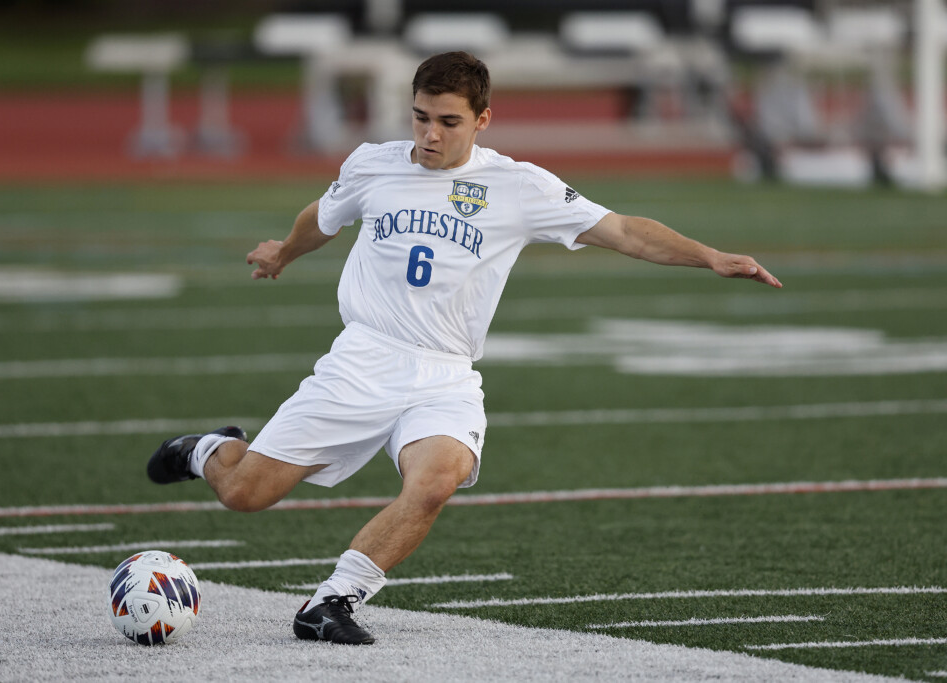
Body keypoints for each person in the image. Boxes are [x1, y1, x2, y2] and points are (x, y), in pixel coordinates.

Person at [147, 51, 782, 646]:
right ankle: (206, 450)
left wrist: (711, 257)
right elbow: (325, 213)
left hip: (446, 375)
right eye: (421, 117)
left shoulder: (519, 185)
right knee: (244, 495)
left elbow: (622, 231)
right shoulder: (374, 162)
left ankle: (332, 602)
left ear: (481, 120)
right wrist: (285, 250)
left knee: (436, 481)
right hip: (365, 359)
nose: (429, 134)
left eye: (448, 121)